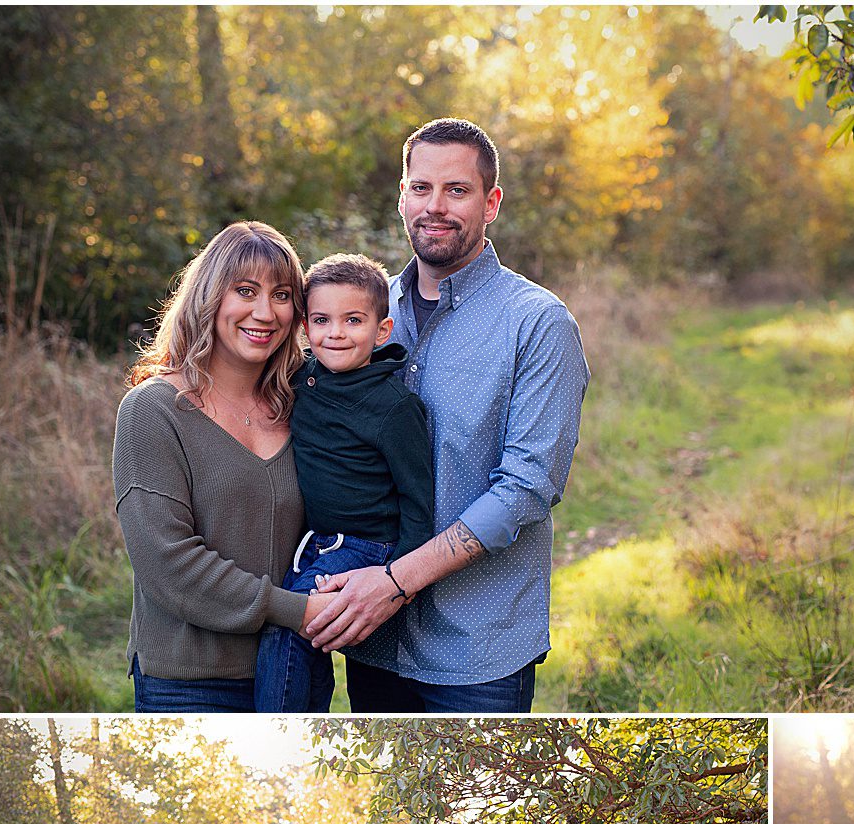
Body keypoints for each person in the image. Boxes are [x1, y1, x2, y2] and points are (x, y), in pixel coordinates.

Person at [302, 116, 589, 712]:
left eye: (457, 190)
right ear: (402, 196)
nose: (435, 206)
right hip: (373, 641)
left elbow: (526, 488)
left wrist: (398, 581)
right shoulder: (363, 314)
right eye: (421, 188)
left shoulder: (537, 322)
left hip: (476, 647)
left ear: (492, 203)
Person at [114, 221, 340, 712]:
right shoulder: (152, 410)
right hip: (191, 680)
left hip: (293, 667)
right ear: (209, 296)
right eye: (245, 291)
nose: (264, 312)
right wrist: (299, 612)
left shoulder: (303, 405)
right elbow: (169, 564)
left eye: (282, 294)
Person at [252, 252, 436, 712]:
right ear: (305, 327)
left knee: (289, 626)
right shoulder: (301, 379)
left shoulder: (394, 407)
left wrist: (399, 581)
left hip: (364, 547)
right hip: (315, 544)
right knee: (310, 643)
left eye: (353, 321)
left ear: (382, 331)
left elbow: (417, 500)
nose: (335, 333)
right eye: (321, 320)